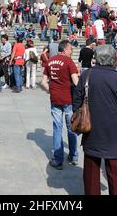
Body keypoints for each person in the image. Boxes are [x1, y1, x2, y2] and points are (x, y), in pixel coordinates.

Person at [73, 44, 117, 195]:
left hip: (91, 131)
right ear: (114, 59)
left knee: (91, 176)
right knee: (116, 176)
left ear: (96, 58)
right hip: (113, 134)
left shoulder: (86, 75)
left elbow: (76, 103)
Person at [41, 40, 79, 169]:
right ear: (65, 49)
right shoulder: (69, 62)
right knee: (71, 128)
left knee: (57, 128)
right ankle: (73, 156)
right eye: (71, 50)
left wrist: (50, 90)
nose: (72, 52)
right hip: (68, 99)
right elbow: (76, 82)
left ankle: (58, 160)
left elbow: (43, 82)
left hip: (55, 99)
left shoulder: (50, 61)